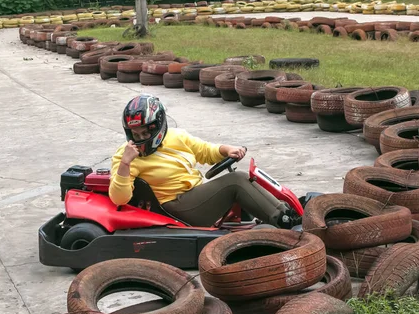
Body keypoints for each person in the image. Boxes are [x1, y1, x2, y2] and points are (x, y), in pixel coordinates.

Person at [109, 94, 299, 227]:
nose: (142, 138)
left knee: (247, 178)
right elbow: (119, 198)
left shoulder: (176, 136)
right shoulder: (126, 155)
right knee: (236, 182)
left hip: (195, 195)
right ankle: (284, 221)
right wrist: (125, 164)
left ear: (158, 126)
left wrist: (226, 150)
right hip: (176, 207)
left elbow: (204, 151)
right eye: (136, 134)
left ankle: (287, 210)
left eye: (146, 132)